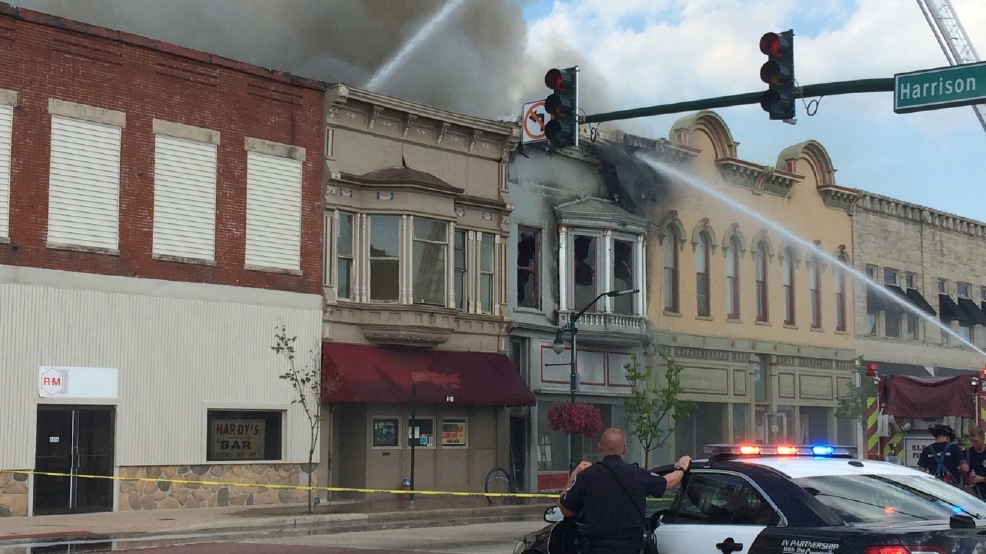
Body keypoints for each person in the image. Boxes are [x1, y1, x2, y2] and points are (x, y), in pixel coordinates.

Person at [558, 428, 691, 554]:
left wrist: (575, 474)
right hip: (631, 548)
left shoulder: (587, 476)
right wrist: (681, 468)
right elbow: (668, 482)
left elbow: (565, 509)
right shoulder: (638, 474)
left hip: (598, 548)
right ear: (625, 449)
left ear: (600, 446)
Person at [963, 427, 986, 498]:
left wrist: (982, 479)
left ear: (983, 439)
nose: (973, 444)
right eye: (971, 441)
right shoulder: (967, 453)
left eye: (976, 441)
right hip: (974, 493)